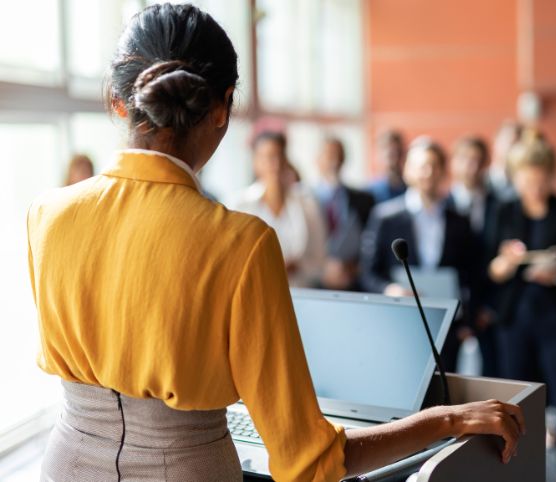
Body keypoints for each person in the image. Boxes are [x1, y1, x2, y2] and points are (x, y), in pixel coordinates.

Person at [27, 5, 525, 481]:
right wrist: (445, 420)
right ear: (222, 108)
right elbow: (308, 463)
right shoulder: (240, 243)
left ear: (118, 102)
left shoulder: (45, 214)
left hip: (63, 464)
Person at [489, 131, 556, 482]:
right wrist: (506, 261)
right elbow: (491, 269)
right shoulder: (503, 209)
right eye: (527, 180)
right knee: (516, 399)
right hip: (515, 316)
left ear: (551, 176)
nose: (534, 186)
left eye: (541, 179)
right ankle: (518, 466)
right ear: (515, 177)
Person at [361, 137, 475, 372]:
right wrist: (389, 289)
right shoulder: (385, 217)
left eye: (435, 166)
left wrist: (466, 321)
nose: (428, 172)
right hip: (402, 322)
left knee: (447, 393)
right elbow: (368, 272)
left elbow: (470, 273)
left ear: (443, 171)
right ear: (407, 170)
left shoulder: (460, 221)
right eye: (421, 165)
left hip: (447, 325)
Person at [233, 131, 326, 288]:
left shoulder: (307, 204)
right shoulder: (240, 205)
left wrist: (298, 266)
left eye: (279, 156)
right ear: (255, 162)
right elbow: (233, 260)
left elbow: (320, 260)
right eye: (267, 157)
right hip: (254, 292)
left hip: (298, 294)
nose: (274, 165)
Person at [446, 135, 501, 377]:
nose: (473, 167)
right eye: (466, 160)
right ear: (454, 163)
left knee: (494, 376)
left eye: (479, 160)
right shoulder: (442, 205)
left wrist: (487, 306)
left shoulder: (501, 206)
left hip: (490, 306)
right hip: (453, 307)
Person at [314, 136, 375, 291]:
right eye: (329, 155)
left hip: (351, 282)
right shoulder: (305, 198)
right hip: (315, 284)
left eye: (339, 155)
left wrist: (353, 267)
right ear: (317, 159)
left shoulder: (364, 199)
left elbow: (371, 241)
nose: (334, 161)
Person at [368, 129, 407, 203]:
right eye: (390, 154)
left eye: (397, 152)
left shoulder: (411, 188)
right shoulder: (371, 190)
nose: (394, 158)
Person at [488, 119, 522, 199]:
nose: (510, 148)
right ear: (495, 141)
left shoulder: (525, 185)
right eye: (507, 141)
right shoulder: (480, 181)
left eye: (516, 143)